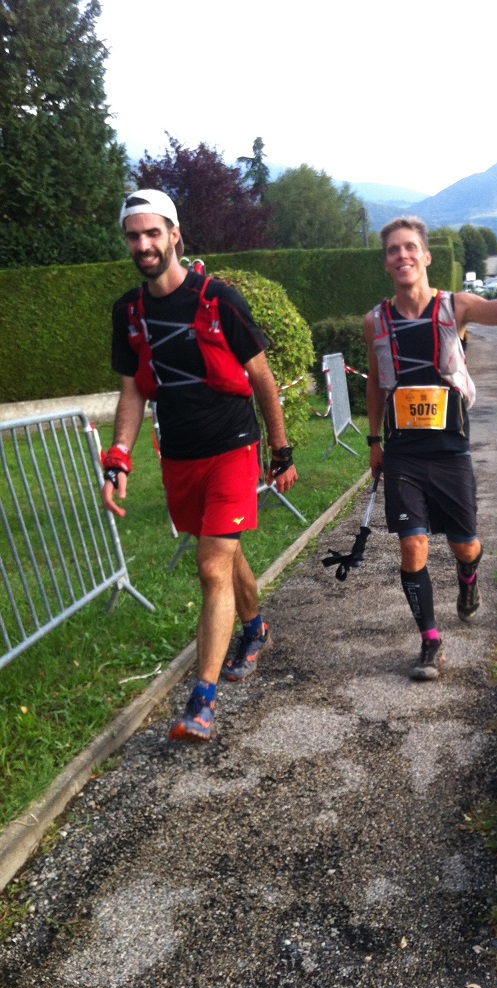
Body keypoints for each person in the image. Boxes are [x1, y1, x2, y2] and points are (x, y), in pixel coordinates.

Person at [102, 189, 298, 742]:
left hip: (233, 447)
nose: (143, 245)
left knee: (211, 566)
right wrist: (119, 457)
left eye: (153, 233)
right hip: (179, 457)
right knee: (223, 554)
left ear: (175, 235)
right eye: (134, 236)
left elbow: (261, 379)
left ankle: (201, 702)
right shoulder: (129, 312)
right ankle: (255, 627)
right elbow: (133, 393)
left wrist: (280, 451)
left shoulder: (220, 299)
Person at [364, 206, 497, 680]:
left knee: (465, 546)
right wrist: (374, 439)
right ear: (386, 263)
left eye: (409, 248)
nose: (401, 256)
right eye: (392, 251)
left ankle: (469, 579)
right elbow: (377, 384)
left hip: (450, 451)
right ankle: (430, 641)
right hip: (402, 453)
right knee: (413, 547)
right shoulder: (375, 320)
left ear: (425, 257)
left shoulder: (454, 306)